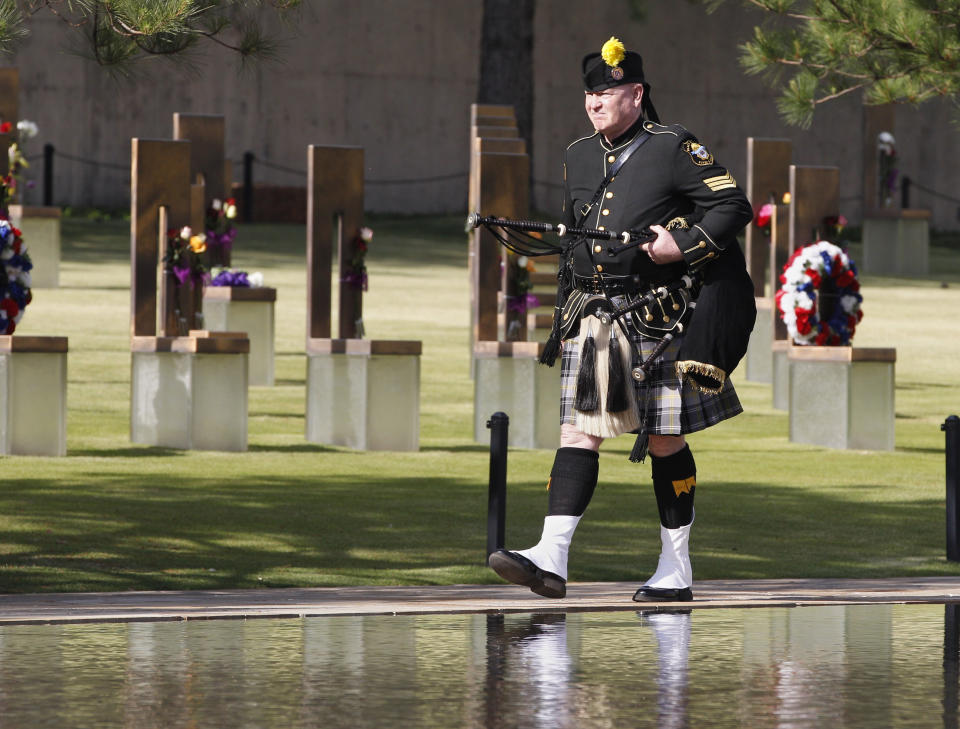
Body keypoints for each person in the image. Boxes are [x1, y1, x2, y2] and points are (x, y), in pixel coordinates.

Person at [488, 36, 756, 602]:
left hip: (661, 319)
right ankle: (550, 558)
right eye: (590, 92)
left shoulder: (672, 146)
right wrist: (566, 310)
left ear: (636, 93)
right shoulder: (578, 155)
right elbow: (575, 234)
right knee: (578, 432)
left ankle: (675, 569)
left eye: (607, 91)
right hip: (600, 316)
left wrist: (680, 245)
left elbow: (733, 206)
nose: (595, 100)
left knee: (663, 440)